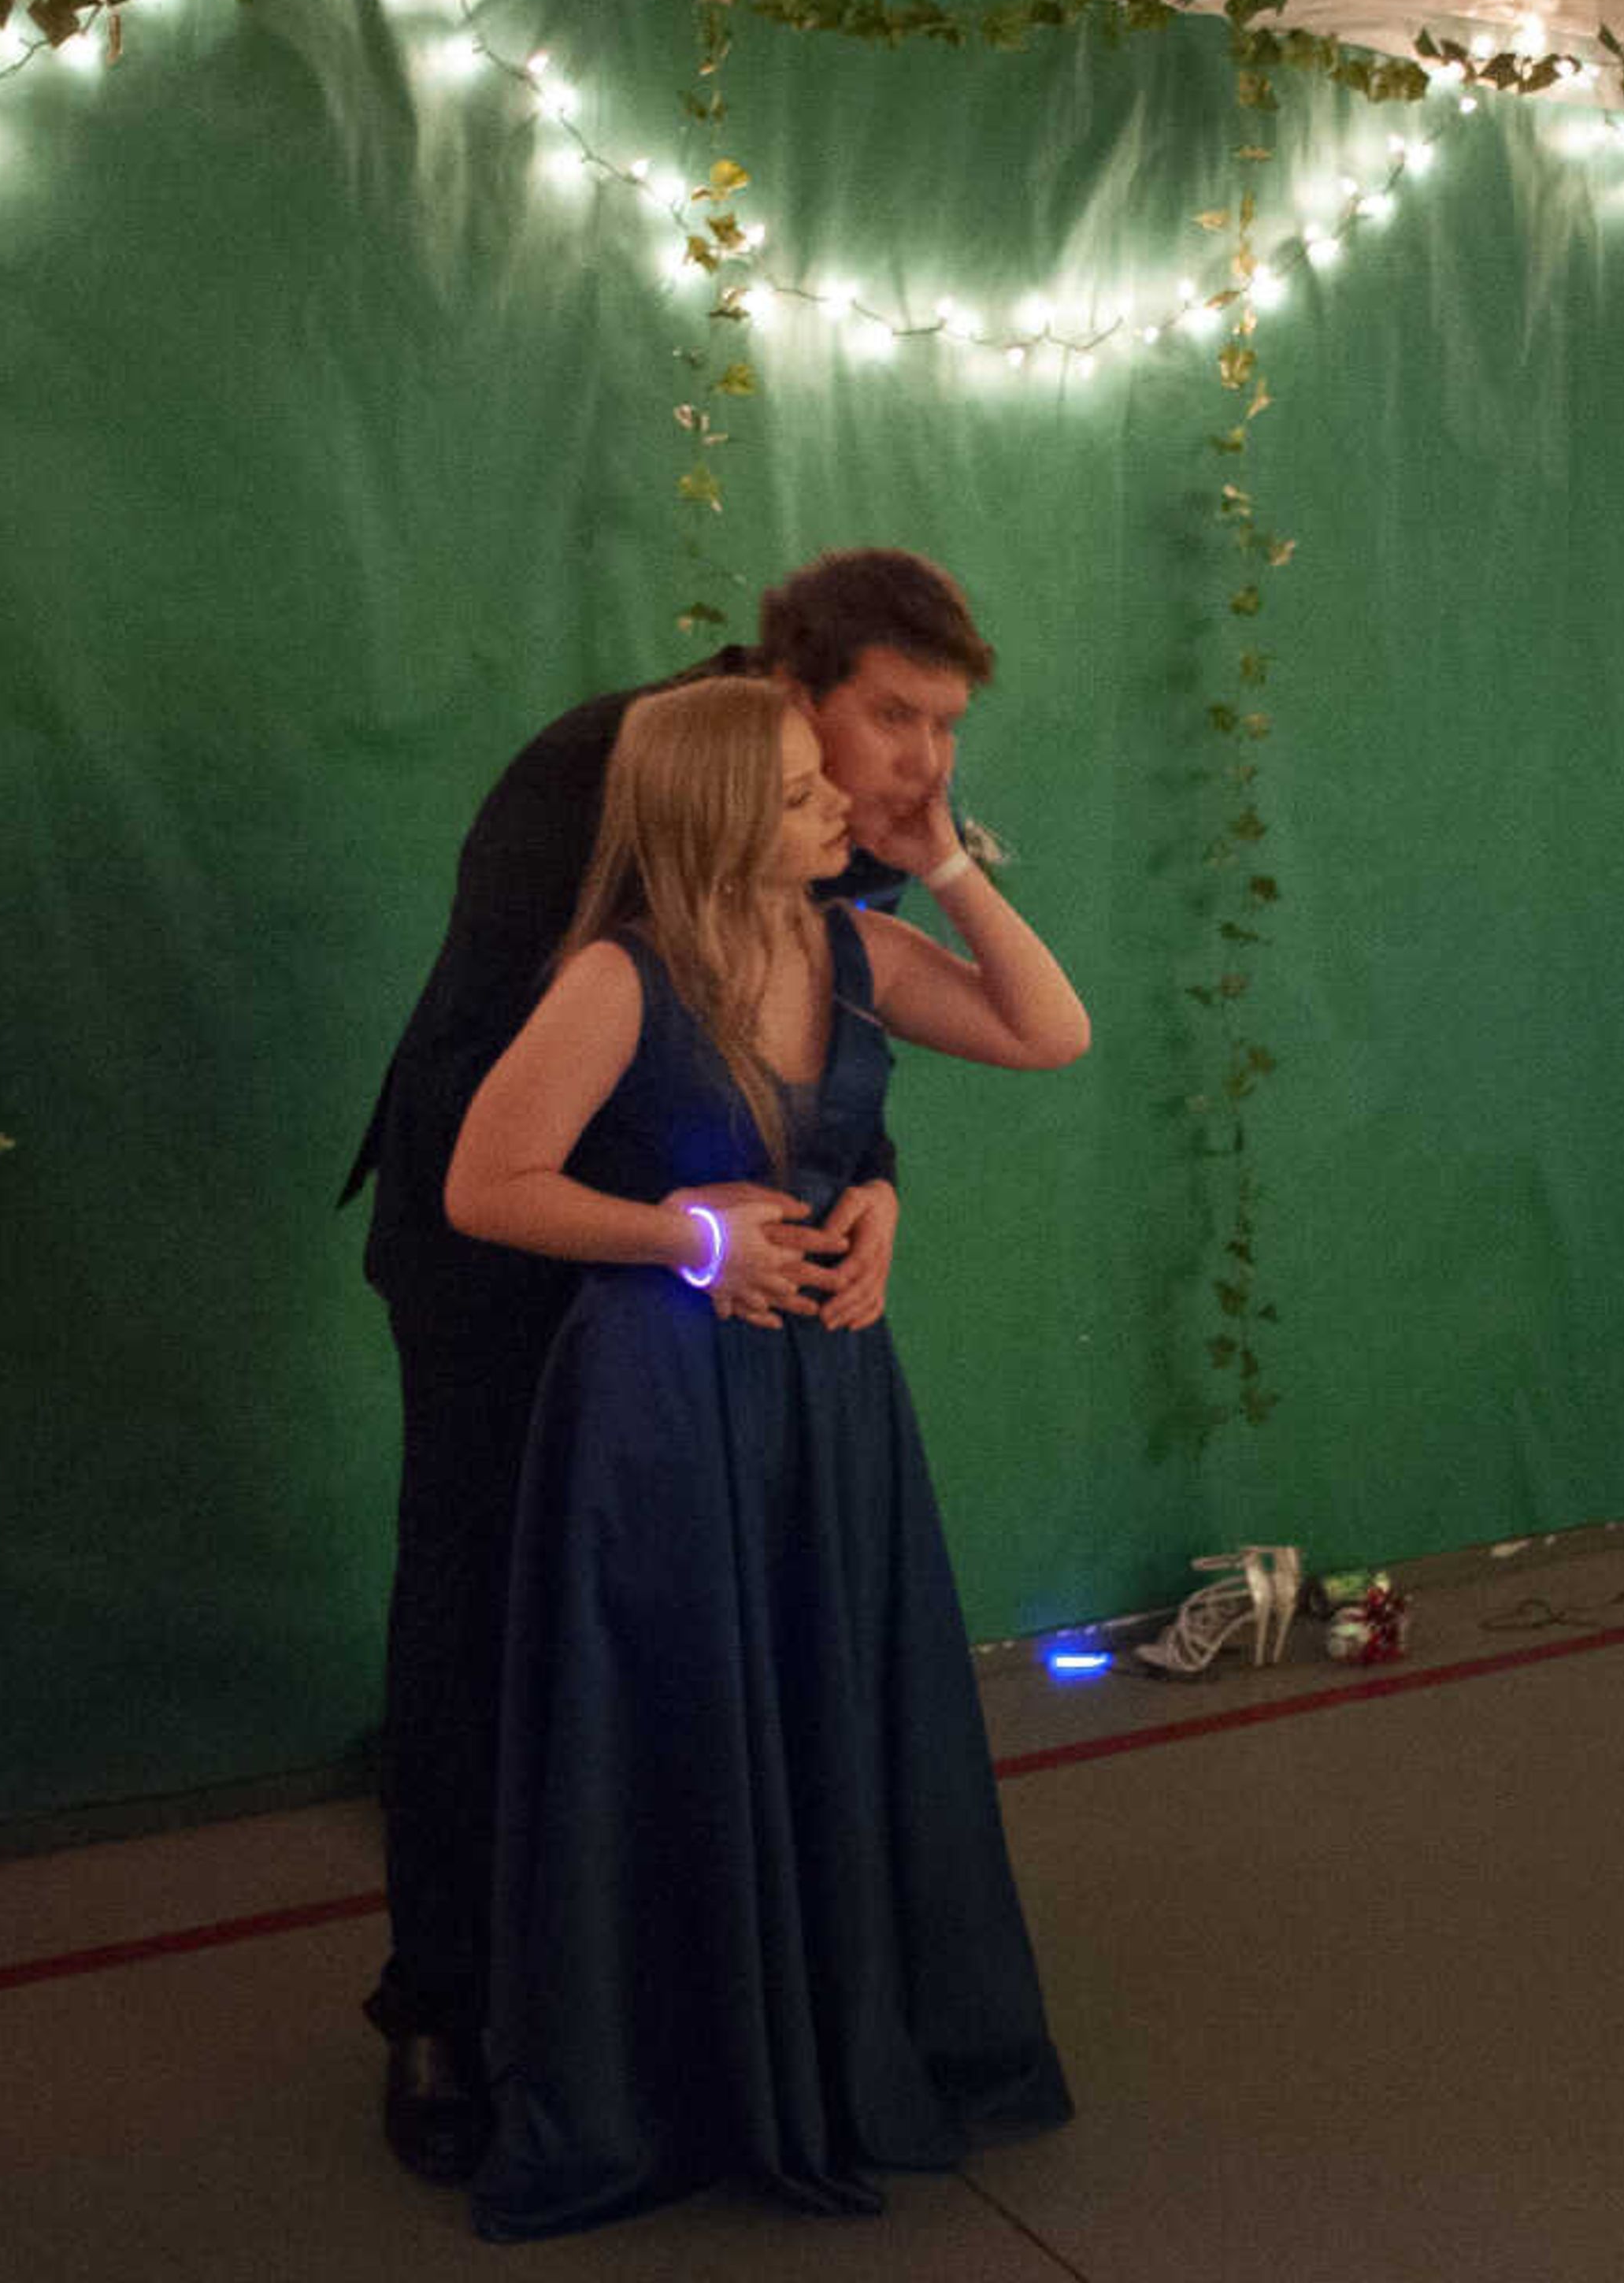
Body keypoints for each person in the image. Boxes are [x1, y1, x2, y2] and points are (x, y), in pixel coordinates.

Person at [340, 552, 995, 2181]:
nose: (920, 767)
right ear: (801, 693)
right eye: (894, 720)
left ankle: (699, 1995)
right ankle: (444, 2005)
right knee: (481, 1604)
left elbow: (826, 1026)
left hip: (714, 1273)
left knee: (717, 1617)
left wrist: (879, 1191)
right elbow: (508, 1093)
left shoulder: (841, 818)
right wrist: (671, 1230)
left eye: (946, 727)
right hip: (503, 1262)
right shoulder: (607, 774)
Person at [443, 673, 1088, 2237]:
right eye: (808, 790)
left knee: (827, 1698)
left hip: (830, 1401)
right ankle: (687, 2074)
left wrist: (943, 866)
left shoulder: (855, 947)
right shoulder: (622, 978)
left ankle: (836, 2031)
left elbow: (1045, 1030)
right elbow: (487, 1183)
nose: (840, 808)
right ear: (725, 809)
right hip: (664, 1417)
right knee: (687, 1719)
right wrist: (684, 1237)